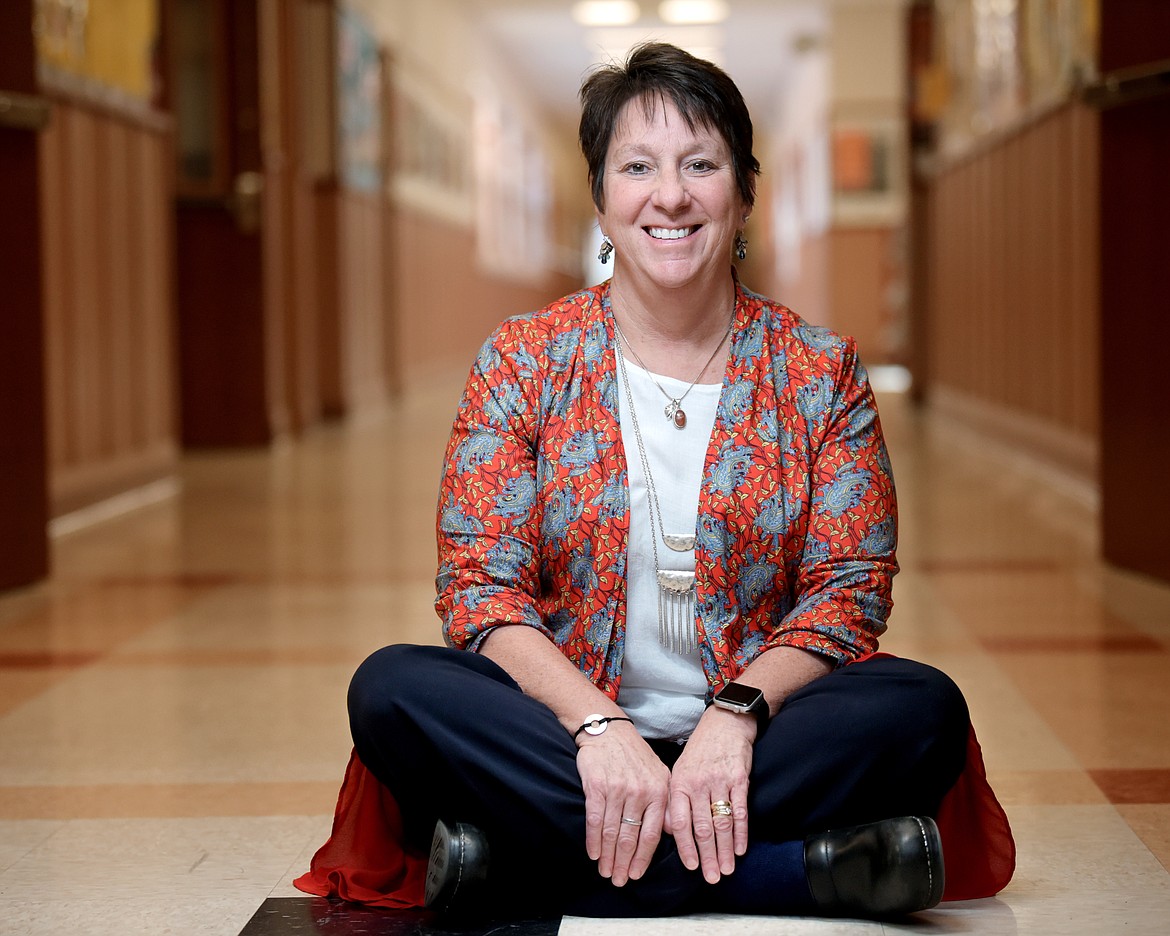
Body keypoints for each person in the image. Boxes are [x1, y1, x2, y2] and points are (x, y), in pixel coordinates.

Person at [296, 42, 1015, 920]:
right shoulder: (523, 360)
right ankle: (797, 873)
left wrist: (736, 716)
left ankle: (518, 866)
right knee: (393, 690)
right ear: (601, 198)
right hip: (561, 733)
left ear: (743, 193)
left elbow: (849, 592)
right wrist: (599, 725)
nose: (669, 195)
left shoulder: (821, 373)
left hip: (763, 737)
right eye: (637, 167)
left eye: (700, 165)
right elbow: (479, 589)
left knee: (923, 709)